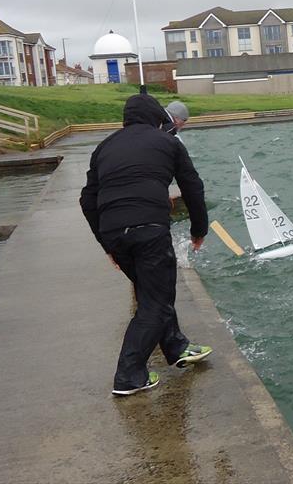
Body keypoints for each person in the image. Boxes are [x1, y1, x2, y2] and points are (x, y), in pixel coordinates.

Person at [80, 93, 211, 396]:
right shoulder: (169, 143)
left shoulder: (104, 147)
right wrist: (198, 229)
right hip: (149, 229)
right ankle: (129, 376)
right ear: (157, 118)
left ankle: (177, 347)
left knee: (152, 291)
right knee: (155, 301)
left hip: (114, 232)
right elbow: (193, 186)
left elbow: (87, 199)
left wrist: (107, 244)